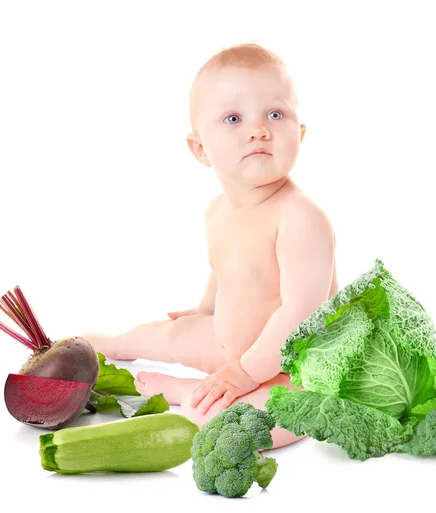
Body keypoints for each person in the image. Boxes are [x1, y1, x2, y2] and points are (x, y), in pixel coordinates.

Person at [83, 42, 339, 449]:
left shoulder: (301, 218)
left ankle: (189, 392)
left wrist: (244, 375)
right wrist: (204, 312)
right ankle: (118, 343)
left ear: (300, 133)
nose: (259, 129)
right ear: (201, 148)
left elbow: (300, 316)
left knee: (246, 425)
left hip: (299, 368)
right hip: (231, 344)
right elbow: (224, 269)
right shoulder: (218, 210)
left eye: (275, 114)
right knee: (170, 335)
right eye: (233, 118)